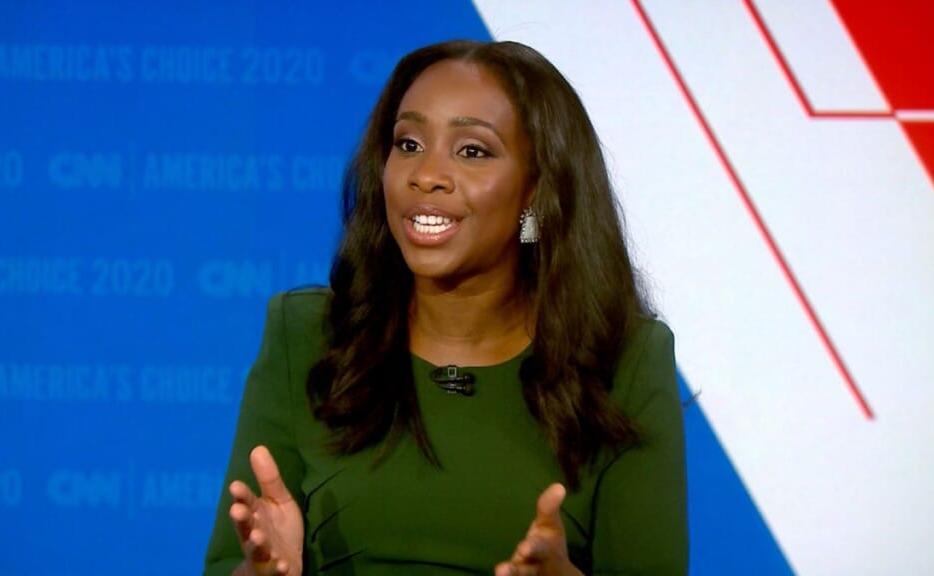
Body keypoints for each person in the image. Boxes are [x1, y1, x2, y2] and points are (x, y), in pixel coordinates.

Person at [203, 39, 687, 576]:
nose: (426, 174)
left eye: (472, 151)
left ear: (537, 189)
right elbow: (230, 563)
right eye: (408, 143)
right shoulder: (306, 336)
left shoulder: (626, 361)